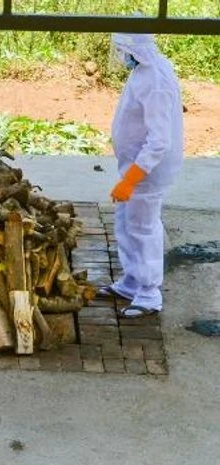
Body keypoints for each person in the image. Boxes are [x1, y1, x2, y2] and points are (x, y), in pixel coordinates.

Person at [98, 33, 183, 318]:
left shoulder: (155, 81)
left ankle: (149, 293)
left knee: (143, 229)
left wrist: (131, 179)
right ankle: (131, 281)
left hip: (146, 174)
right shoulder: (145, 70)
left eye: (122, 49)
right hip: (134, 170)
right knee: (126, 221)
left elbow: (159, 141)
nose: (121, 55)